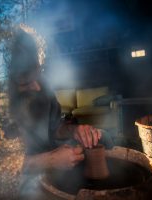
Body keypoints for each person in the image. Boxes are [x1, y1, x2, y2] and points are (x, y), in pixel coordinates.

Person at [8, 26, 102, 173]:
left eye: (37, 73)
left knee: (103, 137)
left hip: (50, 152)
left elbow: (55, 128)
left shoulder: (43, 87)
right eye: (25, 81)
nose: (38, 87)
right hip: (23, 178)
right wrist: (49, 161)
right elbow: (0, 166)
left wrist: (75, 130)